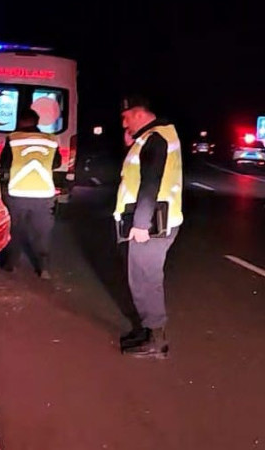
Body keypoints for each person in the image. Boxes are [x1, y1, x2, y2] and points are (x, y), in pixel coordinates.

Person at [115, 96, 183, 359]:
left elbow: (150, 182)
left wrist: (141, 224)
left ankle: (156, 340)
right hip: (156, 218)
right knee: (140, 278)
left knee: (145, 280)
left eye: (127, 116)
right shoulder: (154, 136)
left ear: (141, 114)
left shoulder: (156, 138)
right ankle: (147, 330)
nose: (124, 122)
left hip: (153, 222)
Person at [0, 109, 62, 279]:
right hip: (43, 193)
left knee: (15, 229)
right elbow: (57, 163)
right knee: (42, 232)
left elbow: (4, 163)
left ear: (19, 122)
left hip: (17, 192)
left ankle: (11, 264)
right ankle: (44, 268)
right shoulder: (51, 139)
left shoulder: (13, 138)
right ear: (36, 122)